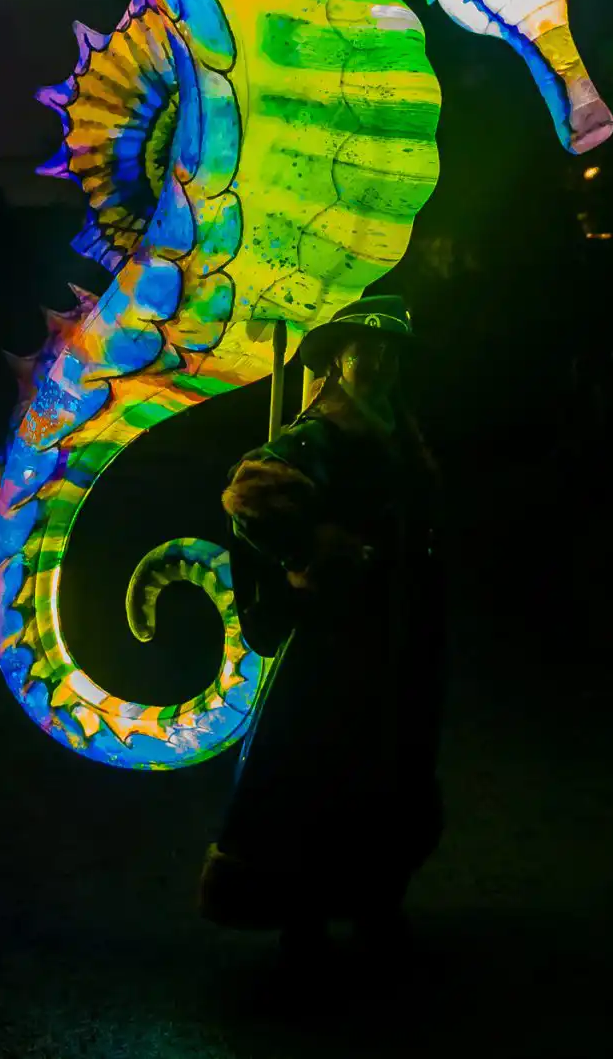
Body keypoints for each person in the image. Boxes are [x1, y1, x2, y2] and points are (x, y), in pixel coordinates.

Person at [195, 293, 446, 974]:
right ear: (338, 358)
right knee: (317, 772)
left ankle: (375, 903)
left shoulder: (399, 429)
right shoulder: (318, 435)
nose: (381, 363)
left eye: (391, 352)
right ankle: (301, 920)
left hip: (397, 633)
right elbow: (251, 495)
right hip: (336, 640)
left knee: (390, 770)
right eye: (367, 350)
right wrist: (311, 545)